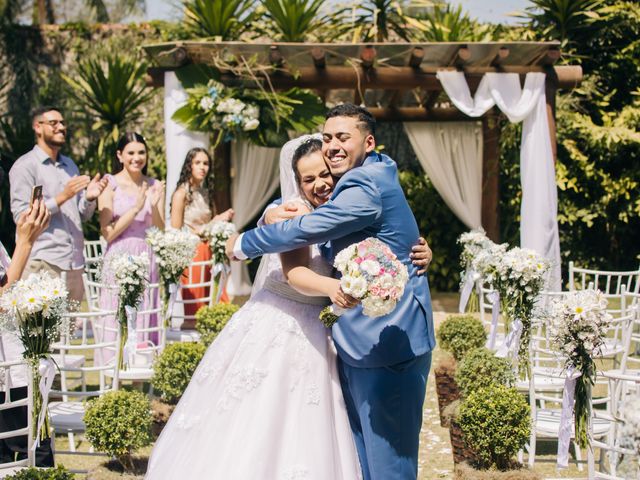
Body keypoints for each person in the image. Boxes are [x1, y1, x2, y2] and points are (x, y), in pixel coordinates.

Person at [145, 135, 432, 479]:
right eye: (308, 179)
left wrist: (420, 252)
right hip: (283, 320)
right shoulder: (292, 210)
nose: (320, 184)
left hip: (323, 328)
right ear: (296, 183)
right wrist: (332, 285)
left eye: (325, 174)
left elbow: (382, 236)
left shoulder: (346, 206)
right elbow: (295, 272)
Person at [228, 105, 435, 480]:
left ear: (368, 142)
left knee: (389, 464)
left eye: (343, 137)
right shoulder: (370, 172)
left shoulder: (363, 183)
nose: (333, 146)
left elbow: (311, 229)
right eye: (328, 138)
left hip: (387, 342)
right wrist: (271, 213)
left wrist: (243, 241)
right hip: (353, 340)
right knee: (363, 458)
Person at [9, 106, 108, 302]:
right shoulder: (25, 166)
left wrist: (89, 198)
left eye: (63, 123)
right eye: (54, 123)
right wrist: (63, 196)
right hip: (44, 261)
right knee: (41, 331)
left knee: (69, 331)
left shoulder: (70, 165)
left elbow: (82, 215)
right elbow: (21, 216)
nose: (61, 127)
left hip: (75, 262)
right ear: (38, 127)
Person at [96, 132, 165, 362]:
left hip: (147, 256)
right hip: (118, 255)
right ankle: (112, 365)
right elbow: (108, 232)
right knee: (116, 309)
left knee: (145, 308)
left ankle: (141, 366)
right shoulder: (110, 184)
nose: (137, 158)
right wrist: (135, 208)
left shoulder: (154, 185)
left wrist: (153, 206)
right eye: (131, 153)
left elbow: (160, 230)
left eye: (141, 152)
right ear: (120, 155)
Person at [0, 197, 53, 466]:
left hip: (12, 359)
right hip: (6, 369)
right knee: (31, 448)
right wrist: (25, 243)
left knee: (34, 442)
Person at [170, 147, 234, 327]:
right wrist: (216, 220)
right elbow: (176, 231)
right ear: (189, 165)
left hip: (209, 249)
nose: (202, 167)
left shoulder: (206, 193)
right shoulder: (181, 193)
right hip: (193, 252)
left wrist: (220, 222)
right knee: (196, 308)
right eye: (197, 163)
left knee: (213, 298)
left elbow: (210, 222)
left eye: (206, 163)